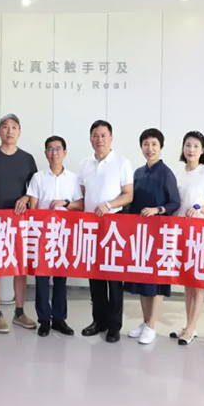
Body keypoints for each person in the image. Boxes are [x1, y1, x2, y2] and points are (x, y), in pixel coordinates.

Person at [0, 113, 38, 333]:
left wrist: (25, 198)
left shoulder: (28, 159)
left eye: (14, 127)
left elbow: (35, 189)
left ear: (19, 132)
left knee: (20, 267)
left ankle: (19, 312)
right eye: (5, 127)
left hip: (20, 221)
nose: (9, 131)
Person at [79, 120, 134, 343]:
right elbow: (82, 196)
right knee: (95, 276)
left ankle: (114, 326)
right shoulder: (85, 164)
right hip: (91, 227)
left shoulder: (122, 163)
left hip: (114, 226)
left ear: (111, 138)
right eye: (95, 135)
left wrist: (109, 205)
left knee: (114, 278)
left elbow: (128, 195)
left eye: (103, 135)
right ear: (90, 139)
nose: (99, 139)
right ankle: (98, 321)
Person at [125, 128, 181, 345]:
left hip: (158, 235)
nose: (150, 148)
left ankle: (152, 326)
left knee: (155, 282)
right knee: (142, 279)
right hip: (140, 236)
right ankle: (145, 321)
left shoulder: (166, 173)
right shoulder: (138, 173)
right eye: (146, 144)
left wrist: (158, 210)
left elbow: (174, 202)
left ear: (161, 147)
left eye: (154, 144)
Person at [26, 135, 84, 337]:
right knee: (41, 278)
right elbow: (33, 207)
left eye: (58, 149)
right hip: (42, 234)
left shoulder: (74, 178)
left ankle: (59, 319)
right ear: (45, 154)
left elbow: (81, 205)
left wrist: (65, 203)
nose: (54, 153)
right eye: (50, 149)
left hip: (64, 234)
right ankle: (44, 319)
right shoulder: (38, 178)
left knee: (61, 278)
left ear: (65, 153)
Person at [169, 131, 204, 345]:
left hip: (200, 234)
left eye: (196, 146)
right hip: (181, 233)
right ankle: (189, 325)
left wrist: (199, 208)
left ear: (202, 150)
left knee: (198, 281)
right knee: (187, 280)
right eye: (188, 145)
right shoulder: (176, 174)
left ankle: (191, 327)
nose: (191, 150)